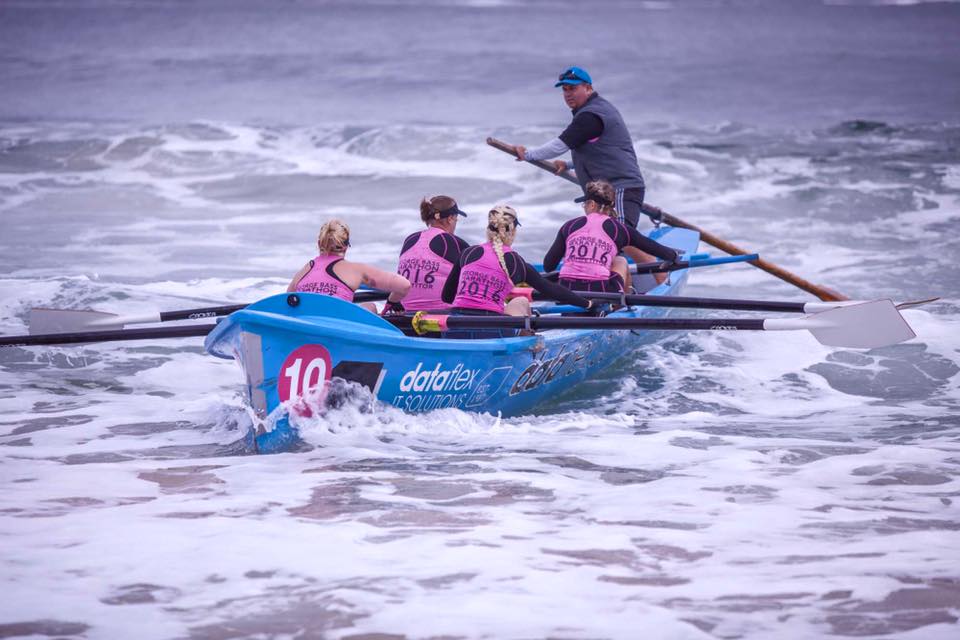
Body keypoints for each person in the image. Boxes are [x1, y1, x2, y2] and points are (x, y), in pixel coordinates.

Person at [512, 66, 661, 267]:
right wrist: (568, 164)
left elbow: (560, 145)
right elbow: (602, 150)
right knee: (605, 238)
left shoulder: (591, 116)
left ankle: (663, 279)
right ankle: (613, 285)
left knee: (622, 237)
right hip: (605, 191)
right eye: (564, 89)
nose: (568, 94)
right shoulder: (591, 112)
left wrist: (527, 155)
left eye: (573, 88)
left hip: (621, 187)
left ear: (588, 88)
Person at [441, 205, 595, 338]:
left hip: (454, 328)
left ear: (488, 228)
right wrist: (587, 304)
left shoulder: (468, 253)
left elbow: (447, 296)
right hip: (494, 330)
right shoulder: (516, 262)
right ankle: (529, 345)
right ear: (512, 231)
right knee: (521, 301)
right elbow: (552, 290)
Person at [543, 180, 679, 288]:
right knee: (620, 261)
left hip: (567, 289)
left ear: (591, 205)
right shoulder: (620, 229)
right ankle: (621, 308)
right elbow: (655, 249)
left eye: (584, 204)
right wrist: (674, 256)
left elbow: (548, 266)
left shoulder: (569, 226)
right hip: (600, 290)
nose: (584, 207)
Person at [288, 218, 410, 313]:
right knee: (370, 306)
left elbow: (286, 302)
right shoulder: (356, 271)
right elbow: (404, 286)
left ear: (319, 242)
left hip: (305, 323)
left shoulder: (304, 271)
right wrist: (392, 301)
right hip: (338, 326)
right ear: (346, 245)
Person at [389, 195, 471, 314]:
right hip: (442, 318)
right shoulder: (455, 243)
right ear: (450, 219)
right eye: (456, 219)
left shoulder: (409, 240)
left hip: (405, 315)